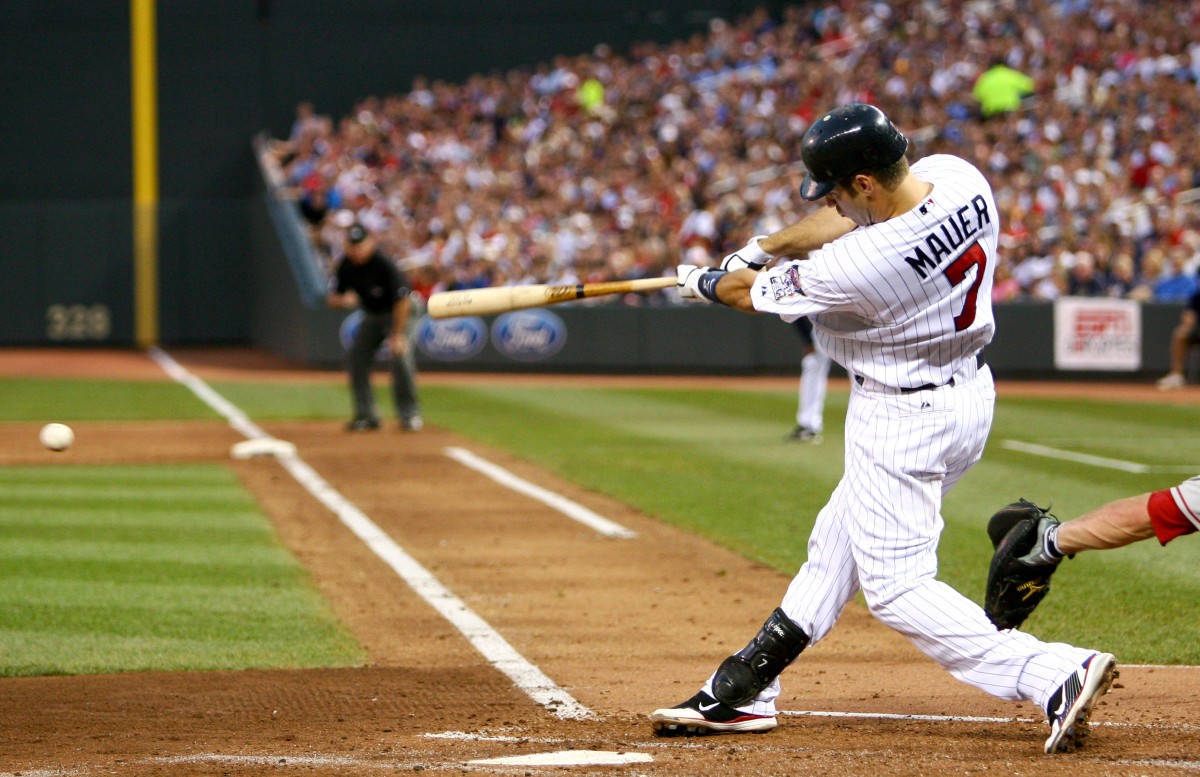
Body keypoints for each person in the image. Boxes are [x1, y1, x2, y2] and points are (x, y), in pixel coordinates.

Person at [651, 103, 1116, 755]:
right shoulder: (959, 177)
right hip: (967, 397)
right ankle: (745, 686)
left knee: (897, 586)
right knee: (835, 540)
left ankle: (1050, 672)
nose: (836, 201)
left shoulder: (859, 266)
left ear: (864, 182)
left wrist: (705, 280)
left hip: (901, 417)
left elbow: (745, 294)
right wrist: (759, 248)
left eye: (841, 188)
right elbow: (828, 225)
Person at [327, 223, 423, 432]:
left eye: (360, 245)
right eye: (352, 245)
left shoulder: (384, 264)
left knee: (400, 356)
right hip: (374, 314)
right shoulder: (346, 264)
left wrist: (397, 336)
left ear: (370, 242)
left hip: (401, 311)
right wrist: (343, 301)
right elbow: (333, 298)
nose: (356, 250)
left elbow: (403, 300)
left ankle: (410, 415)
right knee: (355, 358)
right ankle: (367, 416)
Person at [786, 317, 831, 443]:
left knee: (860, 369)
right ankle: (808, 425)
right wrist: (808, 341)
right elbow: (793, 309)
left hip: (857, 318)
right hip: (825, 323)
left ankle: (870, 422)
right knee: (812, 362)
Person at [1155, 277, 1200, 390]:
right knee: (1180, 334)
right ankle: (1177, 375)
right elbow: (1189, 316)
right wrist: (1188, 326)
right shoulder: (1196, 295)